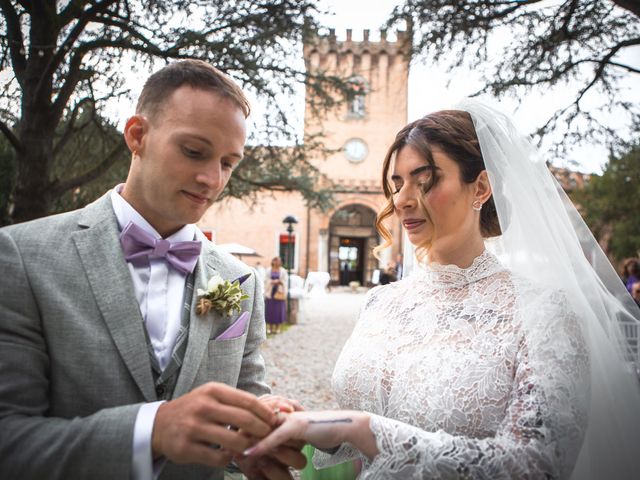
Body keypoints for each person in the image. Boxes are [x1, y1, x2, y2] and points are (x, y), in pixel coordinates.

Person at [246, 100, 640, 479]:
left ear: (481, 187)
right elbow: (359, 436)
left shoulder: (544, 312)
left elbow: (537, 465)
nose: (401, 200)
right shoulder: (381, 302)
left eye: (425, 180)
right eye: (397, 184)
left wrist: (363, 428)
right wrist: (305, 424)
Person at [0, 60, 306, 480]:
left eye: (228, 163)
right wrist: (151, 430)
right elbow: (9, 441)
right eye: (194, 151)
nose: (211, 179)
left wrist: (261, 434)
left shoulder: (241, 280)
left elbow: (244, 407)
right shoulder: (22, 255)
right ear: (137, 136)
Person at [264, 257, 288, 334]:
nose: (277, 263)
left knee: (278, 311)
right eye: (275, 261)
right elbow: (265, 279)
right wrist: (272, 281)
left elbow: (285, 280)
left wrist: (280, 281)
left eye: (278, 261)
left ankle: (277, 328)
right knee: (270, 310)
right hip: (270, 293)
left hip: (279, 292)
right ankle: (269, 328)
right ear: (273, 262)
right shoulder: (268, 270)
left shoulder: (283, 271)